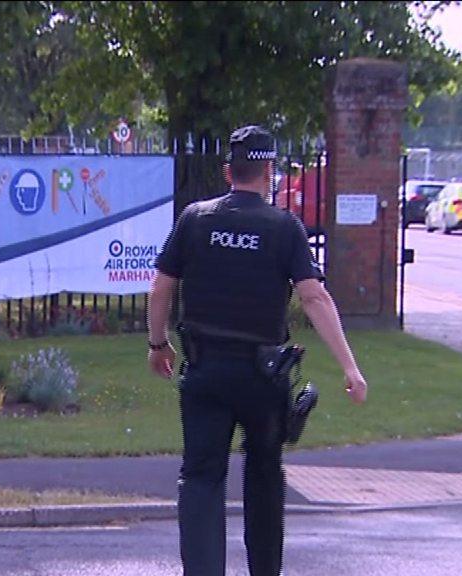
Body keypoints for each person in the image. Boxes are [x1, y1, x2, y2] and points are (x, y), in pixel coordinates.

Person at [146, 125, 368, 576]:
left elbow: (161, 287)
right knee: (264, 476)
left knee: (201, 478)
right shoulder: (284, 228)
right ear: (269, 171)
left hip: (205, 371)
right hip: (262, 378)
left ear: (229, 171)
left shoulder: (195, 219)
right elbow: (314, 297)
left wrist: (157, 343)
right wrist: (350, 367)